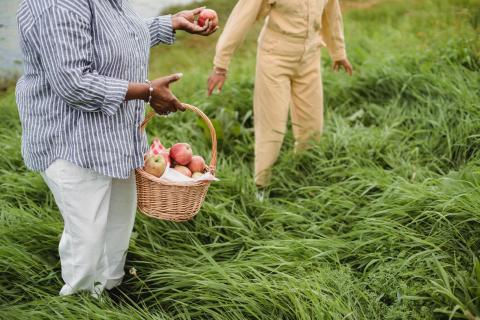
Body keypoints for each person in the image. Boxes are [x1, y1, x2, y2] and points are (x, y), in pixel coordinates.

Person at [15, 0, 216, 296]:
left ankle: (111, 292)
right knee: (88, 241)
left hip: (115, 136)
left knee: (117, 229)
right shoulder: (56, 4)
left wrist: (169, 23)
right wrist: (147, 92)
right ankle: (80, 302)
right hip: (74, 142)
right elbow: (74, 84)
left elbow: (112, 39)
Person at [208, 0, 353, 189]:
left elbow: (331, 13)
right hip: (274, 59)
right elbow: (240, 19)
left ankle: (302, 176)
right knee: (272, 129)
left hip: (310, 58)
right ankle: (261, 186)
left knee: (312, 127)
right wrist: (221, 65)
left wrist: (338, 52)